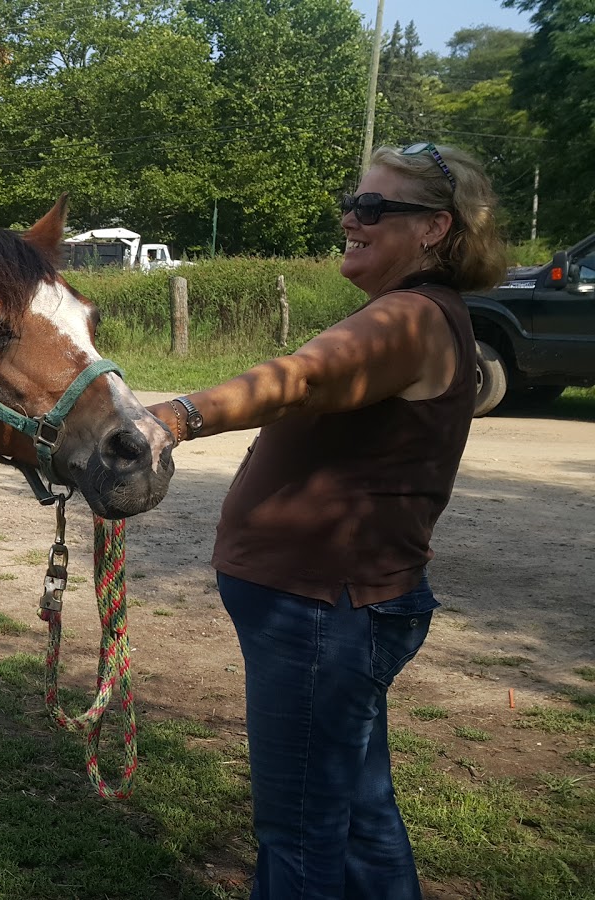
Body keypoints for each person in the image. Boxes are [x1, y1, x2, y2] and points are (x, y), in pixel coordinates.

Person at [147, 143, 508, 899]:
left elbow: (299, 379)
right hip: (338, 608)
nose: (351, 216)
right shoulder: (412, 314)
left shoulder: (408, 318)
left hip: (325, 614)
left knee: (302, 834)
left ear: (435, 228)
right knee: (359, 815)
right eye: (353, 200)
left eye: (375, 207)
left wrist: (173, 418)